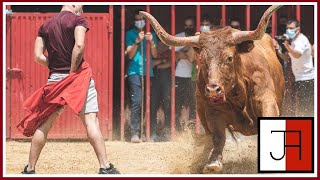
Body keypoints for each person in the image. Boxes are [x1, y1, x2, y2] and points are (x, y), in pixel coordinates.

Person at [18, 5, 120, 174]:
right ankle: (105, 167)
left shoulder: (46, 25)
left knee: (44, 124)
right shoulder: (78, 20)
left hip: (55, 79)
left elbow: (37, 56)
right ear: (74, 3)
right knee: (91, 121)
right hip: (78, 77)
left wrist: (55, 67)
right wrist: (72, 71)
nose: (83, 7)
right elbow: (79, 46)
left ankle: (30, 169)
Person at [126, 10, 158, 143]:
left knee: (148, 103)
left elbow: (155, 55)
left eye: (142, 19)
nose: (140, 21)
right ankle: (135, 132)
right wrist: (138, 41)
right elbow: (130, 55)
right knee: (137, 102)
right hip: (134, 72)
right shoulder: (130, 34)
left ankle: (148, 131)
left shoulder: (151, 35)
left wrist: (151, 42)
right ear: (134, 21)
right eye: (137, 19)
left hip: (148, 72)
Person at [275, 19, 314, 117]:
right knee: (302, 105)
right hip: (300, 78)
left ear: (298, 29)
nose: (289, 30)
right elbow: (287, 58)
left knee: (306, 107)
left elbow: (297, 55)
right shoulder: (294, 41)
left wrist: (287, 46)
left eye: (291, 28)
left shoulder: (301, 39)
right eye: (287, 28)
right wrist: (278, 50)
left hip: (307, 79)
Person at [174, 16, 197, 132]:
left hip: (193, 77)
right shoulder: (178, 37)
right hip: (179, 75)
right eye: (186, 25)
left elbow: (192, 59)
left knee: (193, 104)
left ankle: (192, 130)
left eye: (191, 26)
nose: (188, 28)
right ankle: (178, 131)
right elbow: (175, 55)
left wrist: (183, 53)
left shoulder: (197, 37)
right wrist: (187, 52)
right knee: (178, 104)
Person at [150, 37, 172, 142]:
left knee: (167, 105)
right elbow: (151, 64)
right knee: (152, 106)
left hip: (166, 81)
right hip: (154, 81)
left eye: (164, 44)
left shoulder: (170, 52)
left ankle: (167, 132)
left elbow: (170, 64)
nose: (162, 46)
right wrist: (162, 62)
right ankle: (152, 132)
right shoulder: (152, 52)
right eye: (160, 44)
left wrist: (158, 63)